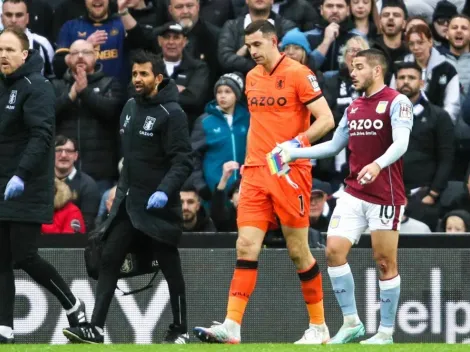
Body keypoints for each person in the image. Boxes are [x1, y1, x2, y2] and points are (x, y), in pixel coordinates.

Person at [194, 20, 335, 344]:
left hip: (289, 171)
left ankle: (319, 327)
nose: (252, 51)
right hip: (256, 171)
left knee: (299, 251)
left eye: (258, 45)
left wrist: (296, 144)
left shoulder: (299, 73)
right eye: (249, 46)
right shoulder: (251, 78)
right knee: (245, 245)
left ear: (274, 41)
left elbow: (326, 120)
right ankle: (232, 325)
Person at [277, 49, 414, 344]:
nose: (352, 72)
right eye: (351, 67)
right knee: (333, 252)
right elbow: (333, 147)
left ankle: (387, 332)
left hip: (386, 195)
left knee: (384, 262)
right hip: (353, 191)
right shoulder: (353, 108)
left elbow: (401, 143)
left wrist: (378, 164)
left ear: (377, 70)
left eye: (359, 67)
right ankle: (352, 322)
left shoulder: (397, 102)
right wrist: (293, 152)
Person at [62, 50, 193, 344]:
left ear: (158, 78)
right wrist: (119, 194)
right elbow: (130, 159)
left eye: (144, 74)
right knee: (109, 258)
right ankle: (95, 328)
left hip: (158, 206)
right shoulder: (130, 107)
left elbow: (183, 160)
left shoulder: (173, 113)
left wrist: (164, 190)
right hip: (128, 203)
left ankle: (180, 329)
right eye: (134, 73)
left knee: (170, 266)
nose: (137, 79)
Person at [0, 27, 87, 344]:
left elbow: (41, 136)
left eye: (9, 50)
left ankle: (74, 305)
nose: (3, 56)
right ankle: (5, 329)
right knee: (1, 260)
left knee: (24, 256)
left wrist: (21, 175)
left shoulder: (37, 87)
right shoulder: (2, 85)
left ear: (24, 54)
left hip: (26, 184)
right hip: (3, 182)